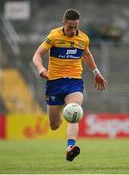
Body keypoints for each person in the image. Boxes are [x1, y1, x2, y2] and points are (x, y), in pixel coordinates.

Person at [33, 9, 107, 161]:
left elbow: (87, 55)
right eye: (70, 27)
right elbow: (37, 54)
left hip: (74, 82)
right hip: (54, 83)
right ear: (63, 23)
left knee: (74, 112)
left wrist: (96, 72)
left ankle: (70, 147)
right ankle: (59, 117)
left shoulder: (83, 39)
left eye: (76, 27)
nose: (73, 31)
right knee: (54, 125)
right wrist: (41, 68)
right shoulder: (53, 36)